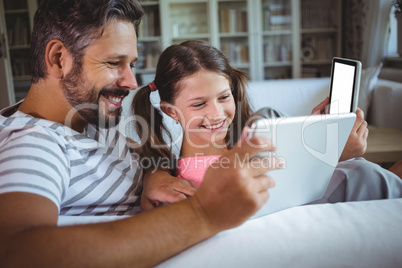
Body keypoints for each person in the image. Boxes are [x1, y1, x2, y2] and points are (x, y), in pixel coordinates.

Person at [0, 1, 278, 267]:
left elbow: (137, 157)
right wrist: (203, 213)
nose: (132, 82)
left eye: (131, 65)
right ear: (59, 59)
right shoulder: (33, 141)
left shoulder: (89, 119)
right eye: (113, 63)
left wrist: (152, 174)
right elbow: (16, 253)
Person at [132, 40, 402, 211]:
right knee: (360, 170)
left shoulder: (232, 142)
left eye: (224, 97)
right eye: (199, 104)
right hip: (320, 184)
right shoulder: (210, 174)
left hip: (273, 153)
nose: (217, 113)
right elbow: (287, 186)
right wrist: (333, 153)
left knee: (267, 117)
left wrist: (311, 134)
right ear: (171, 111)